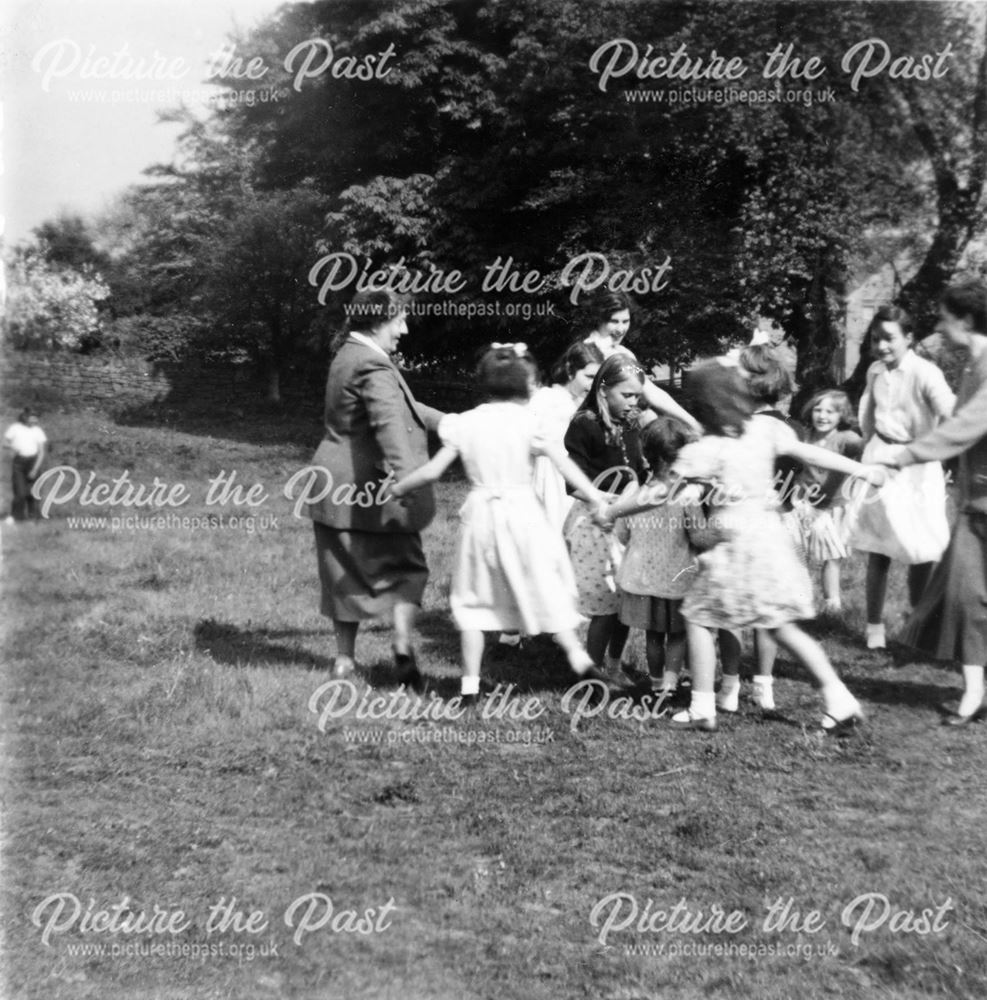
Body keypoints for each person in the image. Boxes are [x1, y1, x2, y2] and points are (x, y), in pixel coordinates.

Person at [606, 359, 886, 732]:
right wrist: (862, 470)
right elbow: (808, 453)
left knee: (698, 618)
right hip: (770, 541)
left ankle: (702, 707)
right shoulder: (766, 428)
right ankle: (840, 699)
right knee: (782, 627)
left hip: (735, 549)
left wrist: (613, 509)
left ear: (705, 405)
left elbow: (658, 491)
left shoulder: (708, 448)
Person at [389, 344, 613, 702]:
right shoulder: (530, 423)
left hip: (481, 516)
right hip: (523, 513)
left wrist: (400, 486)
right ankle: (577, 656)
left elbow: (432, 469)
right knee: (545, 579)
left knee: (474, 599)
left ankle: (469, 688)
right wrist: (596, 496)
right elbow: (563, 462)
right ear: (527, 384)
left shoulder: (467, 422)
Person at [305, 289, 444, 688]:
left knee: (342, 572)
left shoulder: (350, 353)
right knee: (407, 565)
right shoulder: (372, 365)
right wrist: (408, 479)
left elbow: (405, 408)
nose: (404, 329)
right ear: (377, 320)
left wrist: (452, 423)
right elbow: (389, 425)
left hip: (335, 485)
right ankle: (402, 646)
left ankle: (344, 662)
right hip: (374, 485)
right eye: (398, 320)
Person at [874, 279, 987, 726]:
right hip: (972, 501)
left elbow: (967, 426)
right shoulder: (973, 363)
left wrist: (903, 455)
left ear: (964, 320)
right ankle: (973, 693)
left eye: (943, 317)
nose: (939, 326)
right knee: (964, 598)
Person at [850, 305, 954, 649]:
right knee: (879, 548)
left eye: (889, 339)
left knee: (920, 546)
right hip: (882, 458)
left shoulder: (926, 372)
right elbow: (869, 412)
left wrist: (938, 447)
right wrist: (868, 449)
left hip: (919, 465)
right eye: (876, 339)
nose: (881, 346)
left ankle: (918, 625)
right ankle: (874, 628)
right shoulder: (875, 371)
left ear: (908, 338)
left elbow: (950, 412)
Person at [613, 417, 711, 697]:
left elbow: (621, 534)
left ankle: (656, 683)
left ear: (647, 455)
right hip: (677, 576)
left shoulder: (634, 492)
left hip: (643, 578)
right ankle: (670, 681)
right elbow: (698, 536)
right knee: (678, 633)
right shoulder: (688, 494)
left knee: (653, 635)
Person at [563, 354, 647, 676]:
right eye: (626, 395)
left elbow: (639, 471)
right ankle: (591, 672)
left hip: (626, 519)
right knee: (605, 603)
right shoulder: (585, 423)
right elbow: (573, 483)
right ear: (603, 390)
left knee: (624, 599)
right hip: (594, 521)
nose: (632, 402)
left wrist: (633, 493)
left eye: (637, 396)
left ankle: (613, 664)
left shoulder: (631, 423)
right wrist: (605, 502)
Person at [796, 389, 863, 613]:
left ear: (841, 416)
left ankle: (832, 605)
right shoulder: (805, 437)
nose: (823, 416)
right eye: (818, 409)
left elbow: (866, 448)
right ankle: (799, 601)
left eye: (831, 412)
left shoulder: (846, 439)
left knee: (832, 556)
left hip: (834, 507)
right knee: (799, 554)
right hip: (804, 506)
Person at [528, 341, 601, 534]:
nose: (593, 384)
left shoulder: (583, 405)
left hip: (577, 479)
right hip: (552, 482)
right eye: (588, 377)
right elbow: (526, 440)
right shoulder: (546, 399)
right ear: (570, 370)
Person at [4, 408, 47, 522]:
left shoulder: (38, 431)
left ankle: (34, 517)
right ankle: (16, 516)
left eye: (36, 418)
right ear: (25, 417)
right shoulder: (15, 428)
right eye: (32, 417)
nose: (35, 420)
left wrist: (35, 469)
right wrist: (13, 447)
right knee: (20, 492)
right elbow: (4, 442)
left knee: (34, 492)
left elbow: (41, 452)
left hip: (33, 462)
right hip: (19, 463)